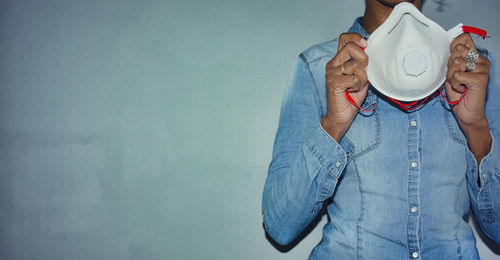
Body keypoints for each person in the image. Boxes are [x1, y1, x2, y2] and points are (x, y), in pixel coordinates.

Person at [261, 0, 500, 258]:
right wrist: (334, 124)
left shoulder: (476, 64)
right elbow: (280, 226)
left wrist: (475, 126)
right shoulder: (320, 66)